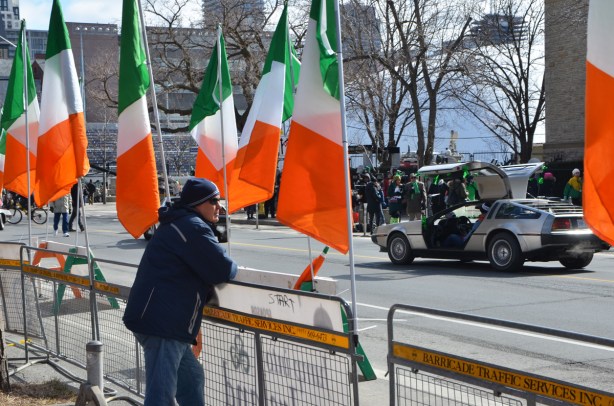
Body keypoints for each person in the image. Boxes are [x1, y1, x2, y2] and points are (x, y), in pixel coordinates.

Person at [123, 178, 238, 406]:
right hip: (163, 324)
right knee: (161, 397)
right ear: (198, 203)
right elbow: (224, 269)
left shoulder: (182, 222)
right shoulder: (192, 226)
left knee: (192, 380)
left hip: (163, 321)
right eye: (214, 201)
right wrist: (232, 265)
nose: (220, 207)